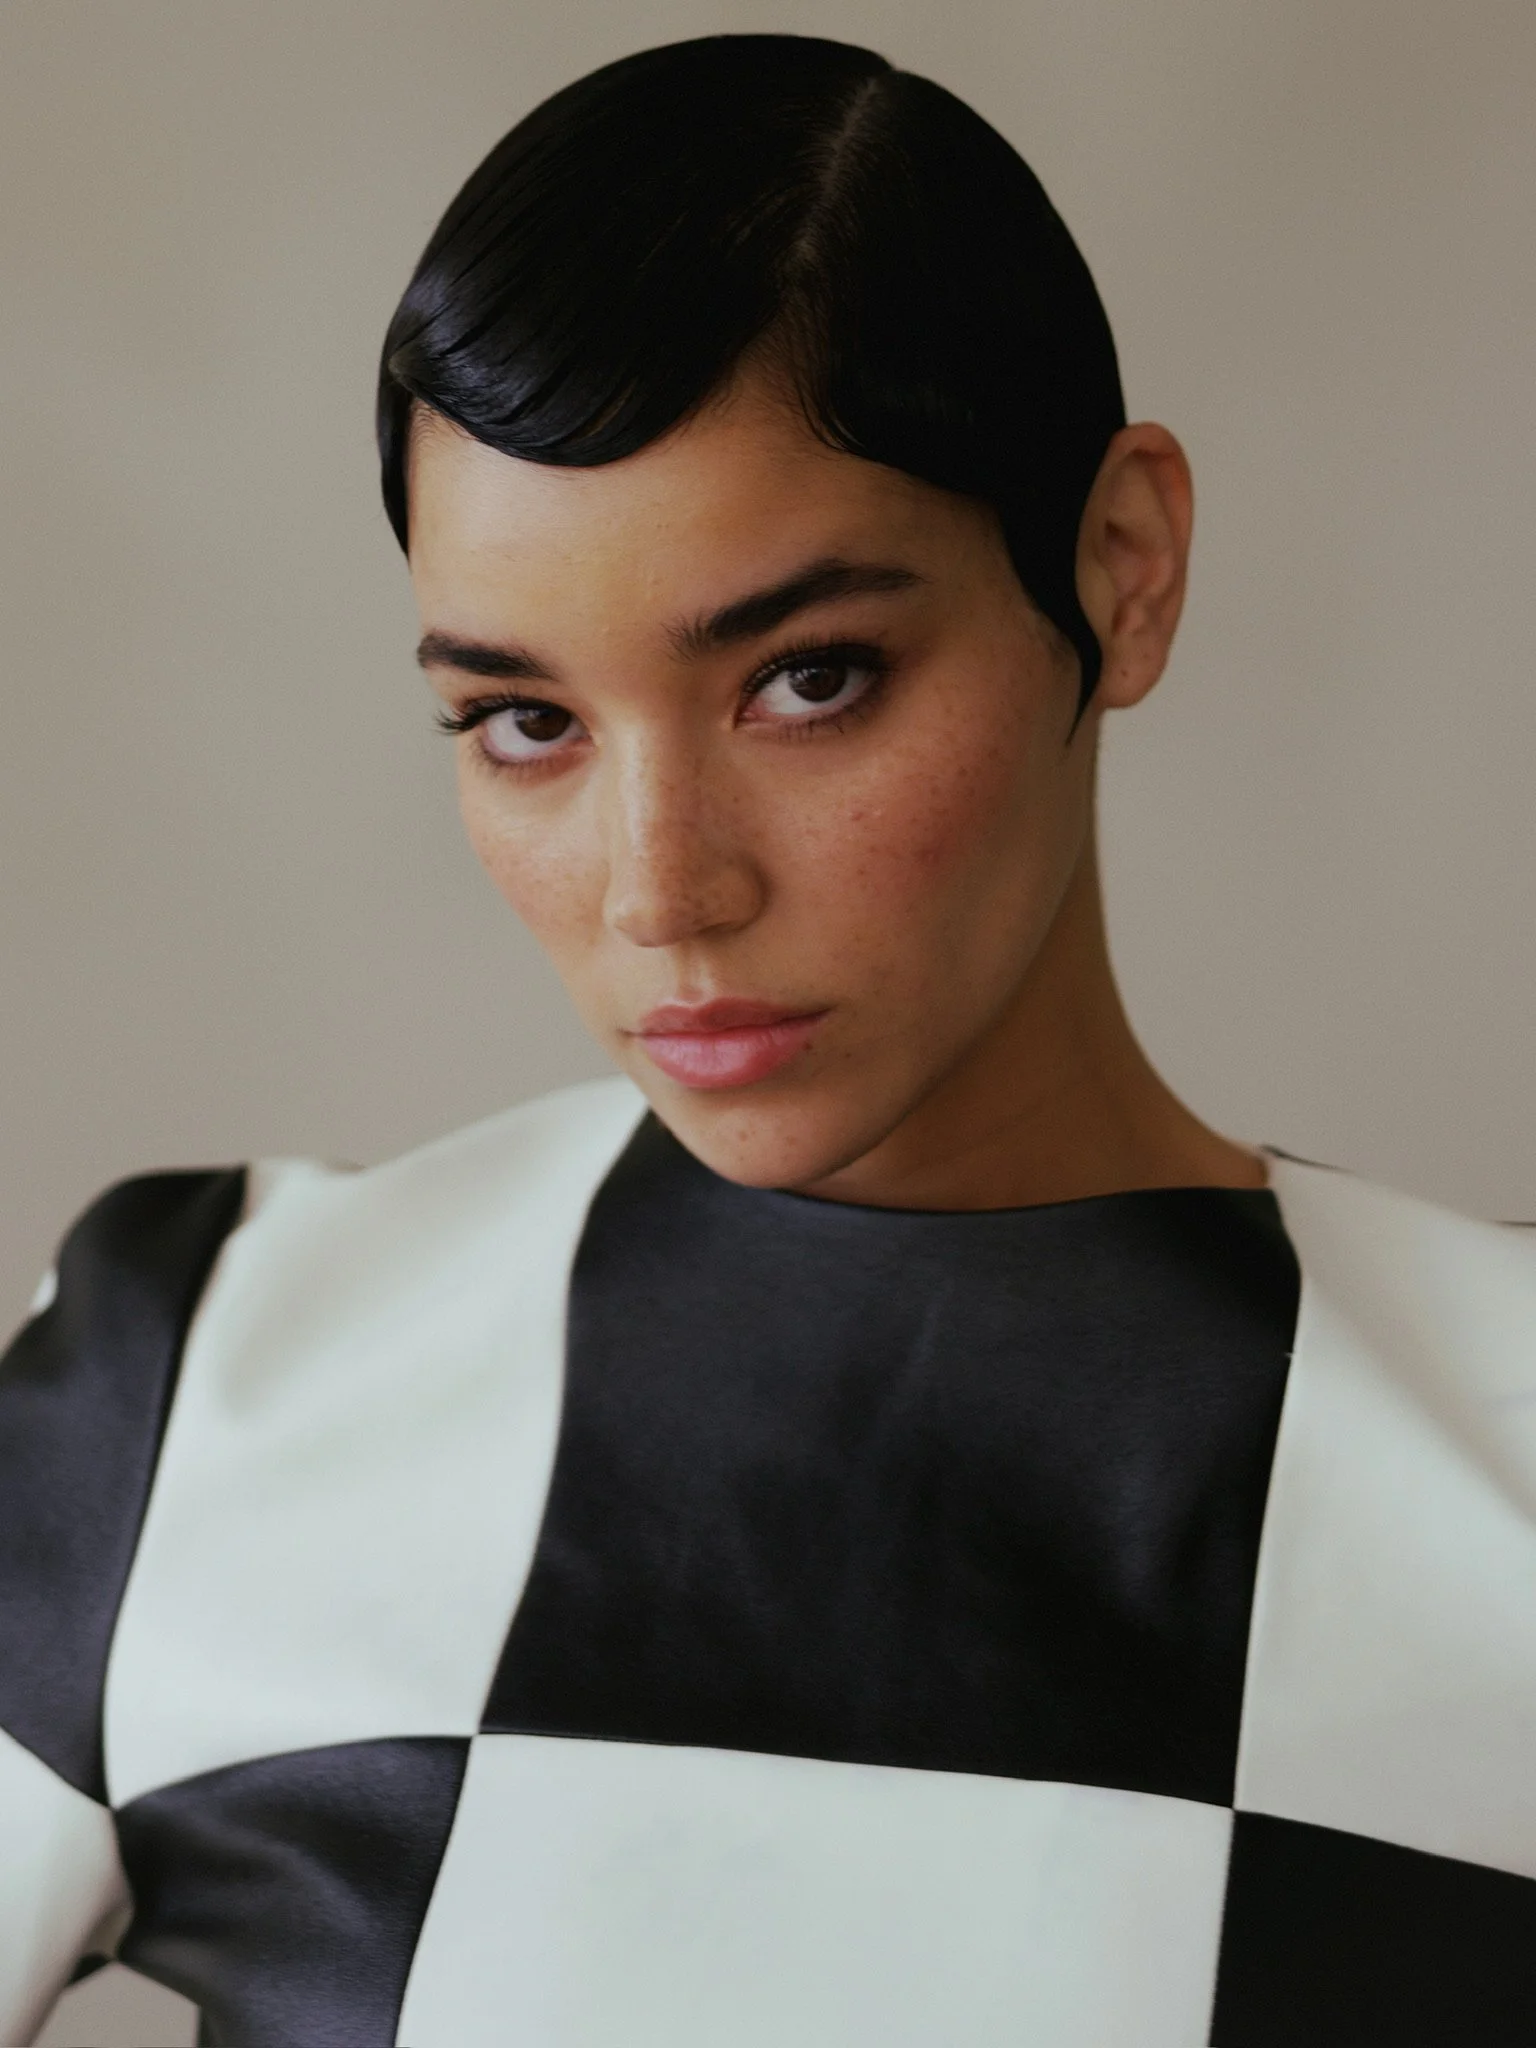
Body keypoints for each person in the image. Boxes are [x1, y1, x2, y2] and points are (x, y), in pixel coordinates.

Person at [2, 32, 1533, 2048]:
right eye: (520, 718)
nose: (661, 888)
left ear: (1121, 567)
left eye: (810, 676)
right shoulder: (196, 1378)